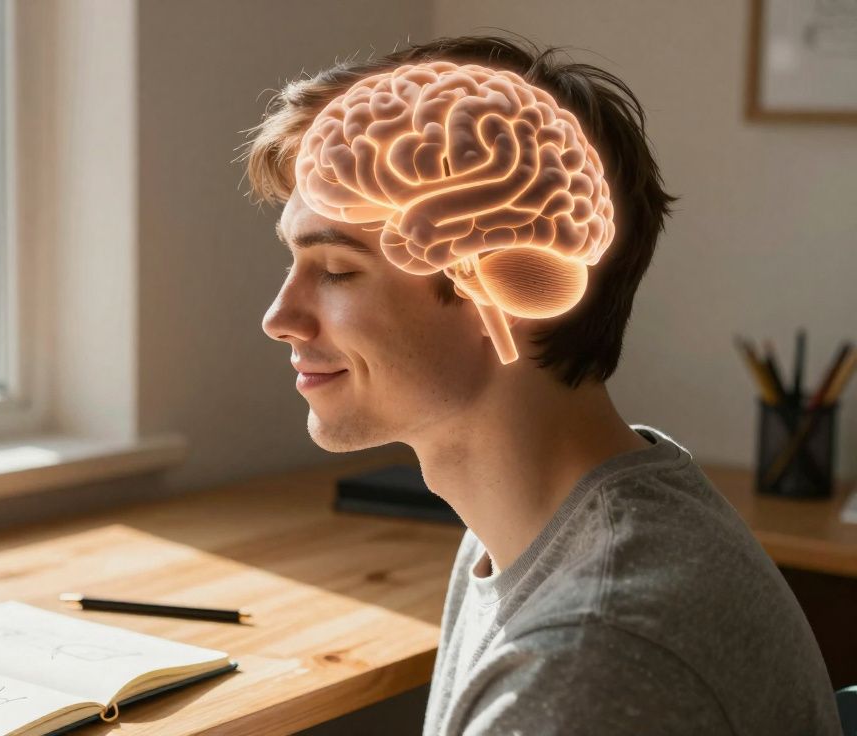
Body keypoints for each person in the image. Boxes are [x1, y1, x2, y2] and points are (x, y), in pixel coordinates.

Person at [243, 34, 841, 735]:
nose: (278, 318)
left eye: (338, 270)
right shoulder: (538, 527)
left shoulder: (590, 666)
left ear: (515, 285)